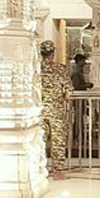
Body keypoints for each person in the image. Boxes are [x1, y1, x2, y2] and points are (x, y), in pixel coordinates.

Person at [40, 40, 72, 179]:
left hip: (39, 112)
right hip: (56, 111)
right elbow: (68, 92)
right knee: (58, 142)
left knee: (39, 140)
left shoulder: (35, 69)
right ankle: (58, 171)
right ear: (53, 53)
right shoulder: (60, 69)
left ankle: (38, 169)